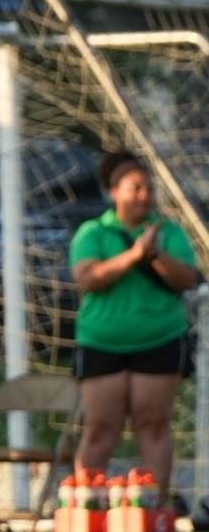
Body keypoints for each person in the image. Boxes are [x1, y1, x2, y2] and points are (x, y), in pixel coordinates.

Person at [70, 153, 201, 503]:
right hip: (103, 342)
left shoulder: (168, 233)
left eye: (148, 188)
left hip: (159, 339)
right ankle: (87, 507)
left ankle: (154, 506)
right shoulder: (94, 232)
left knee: (153, 425)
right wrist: (133, 255)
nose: (145, 195)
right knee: (101, 428)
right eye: (136, 188)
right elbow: (89, 278)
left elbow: (186, 279)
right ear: (115, 192)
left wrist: (154, 253)